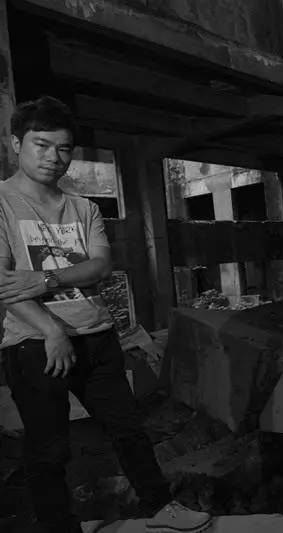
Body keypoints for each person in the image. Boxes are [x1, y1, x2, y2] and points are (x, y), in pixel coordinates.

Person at [0, 96, 212, 533]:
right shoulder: (2, 203)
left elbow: (100, 266)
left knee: (129, 429)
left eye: (63, 148)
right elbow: (3, 284)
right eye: (42, 145)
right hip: (35, 344)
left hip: (97, 336)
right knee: (49, 446)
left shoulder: (84, 208)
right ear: (16, 143)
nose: (53, 157)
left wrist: (45, 279)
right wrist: (51, 330)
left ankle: (161, 508)